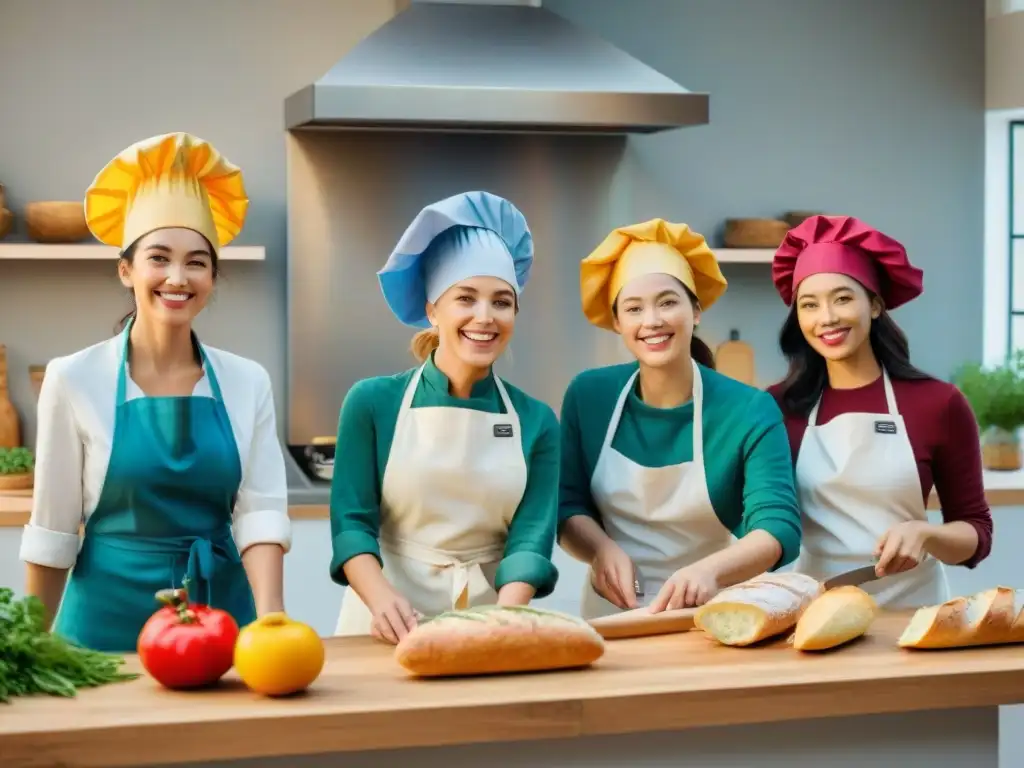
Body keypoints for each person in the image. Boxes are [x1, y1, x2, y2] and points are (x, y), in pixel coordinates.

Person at [19, 132, 292, 652]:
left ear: (213, 276)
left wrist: (272, 622)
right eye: (159, 258)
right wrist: (29, 649)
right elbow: (53, 531)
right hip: (102, 624)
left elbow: (259, 515)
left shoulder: (247, 380)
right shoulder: (74, 377)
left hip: (218, 620)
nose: (177, 277)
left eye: (196, 262)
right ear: (127, 269)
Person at [330, 190, 560, 644]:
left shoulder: (537, 421)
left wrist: (500, 623)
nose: (485, 316)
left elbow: (530, 540)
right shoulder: (373, 402)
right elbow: (351, 523)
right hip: (384, 618)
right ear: (433, 309)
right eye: (466, 298)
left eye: (501, 301)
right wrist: (381, 601)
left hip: (492, 617)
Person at [558, 219, 803, 620]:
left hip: (712, 614)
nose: (651, 320)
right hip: (610, 617)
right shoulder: (589, 396)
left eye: (667, 302)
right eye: (634, 308)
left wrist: (709, 571)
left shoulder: (748, 409)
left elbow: (778, 528)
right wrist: (600, 549)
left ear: (696, 310)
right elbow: (567, 504)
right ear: (617, 321)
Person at [766, 214, 992, 609]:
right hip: (815, 613)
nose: (827, 317)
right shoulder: (775, 408)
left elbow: (977, 534)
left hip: (912, 613)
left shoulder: (938, 404)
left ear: (874, 304)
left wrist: (925, 534)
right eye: (809, 304)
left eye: (842, 298)